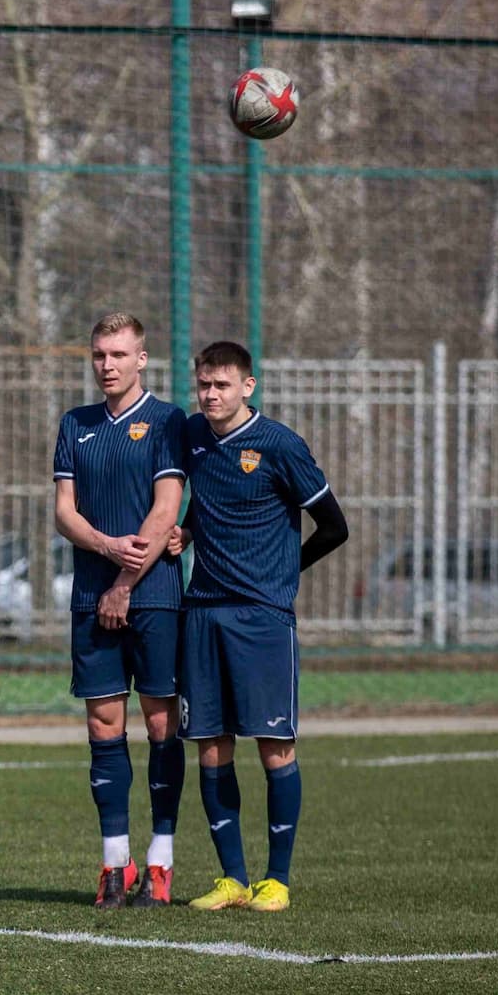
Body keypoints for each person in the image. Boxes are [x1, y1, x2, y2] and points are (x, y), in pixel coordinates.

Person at [172, 341, 347, 913]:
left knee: (274, 748)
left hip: (262, 619)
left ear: (249, 386)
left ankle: (277, 880)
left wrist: (283, 572)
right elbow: (204, 504)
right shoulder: (193, 436)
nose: (211, 394)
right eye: (204, 384)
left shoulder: (279, 445)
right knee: (211, 748)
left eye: (222, 385)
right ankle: (232, 879)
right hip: (201, 612)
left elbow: (333, 526)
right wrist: (187, 534)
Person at [52, 313, 188, 910]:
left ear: (142, 359)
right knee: (103, 727)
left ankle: (160, 859)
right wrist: (106, 550)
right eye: (99, 355)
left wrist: (125, 583)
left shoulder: (168, 422)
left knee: (161, 724)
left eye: (118, 354)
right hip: (90, 594)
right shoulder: (74, 425)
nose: (107, 365)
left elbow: (165, 512)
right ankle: (115, 863)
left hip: (153, 595)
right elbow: (65, 512)